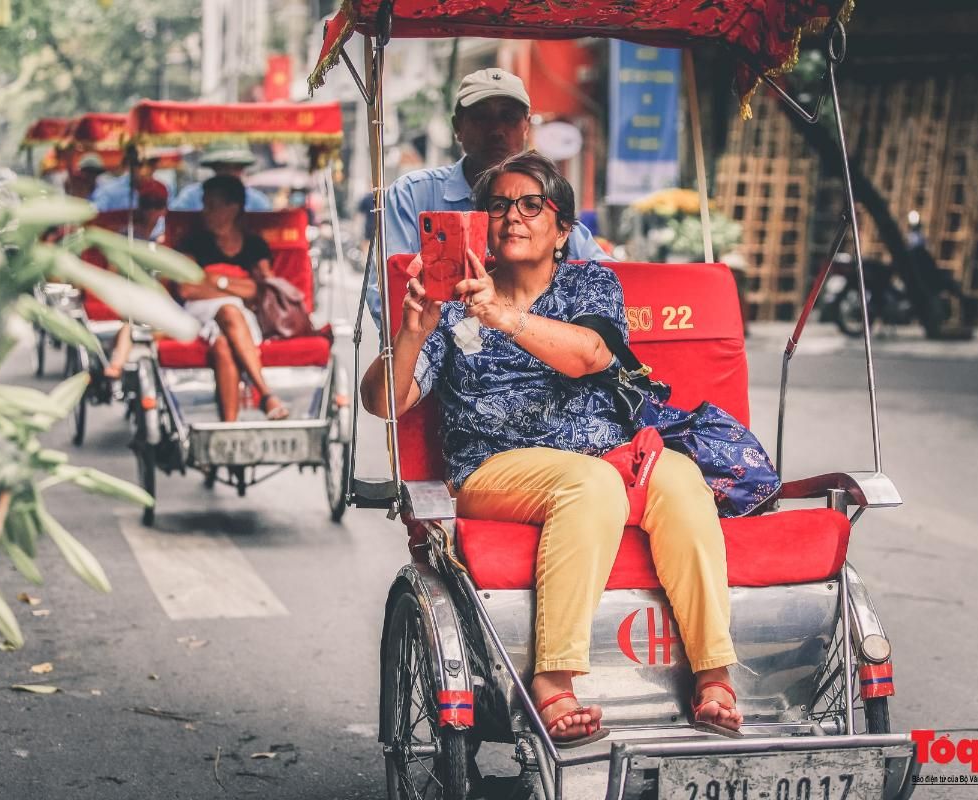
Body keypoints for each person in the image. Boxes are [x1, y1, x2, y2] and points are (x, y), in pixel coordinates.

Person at [360, 153, 742, 745]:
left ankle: (714, 676)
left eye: (531, 204)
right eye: (499, 205)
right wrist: (412, 329)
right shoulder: (455, 296)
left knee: (681, 479)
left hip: (605, 455)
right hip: (495, 467)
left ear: (562, 228)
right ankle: (553, 683)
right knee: (590, 484)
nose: (513, 215)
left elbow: (589, 355)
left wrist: (502, 315)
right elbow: (385, 402)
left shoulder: (590, 282)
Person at [366, 68, 609, 326]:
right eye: (482, 118)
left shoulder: (548, 202)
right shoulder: (411, 195)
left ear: (526, 126)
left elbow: (609, 278)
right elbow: (387, 296)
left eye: (509, 118)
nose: (497, 131)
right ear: (458, 127)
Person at [173, 175, 289, 421]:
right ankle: (266, 393)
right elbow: (187, 290)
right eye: (205, 205)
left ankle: (229, 429)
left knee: (224, 345)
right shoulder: (193, 242)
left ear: (233, 208)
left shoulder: (254, 245)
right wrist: (236, 286)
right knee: (229, 310)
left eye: (212, 205)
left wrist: (214, 280)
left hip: (241, 319)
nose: (205, 212)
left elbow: (258, 289)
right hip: (200, 314)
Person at [101, 179, 168, 380]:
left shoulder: (167, 237)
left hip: (161, 297)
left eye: (157, 205)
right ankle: (117, 363)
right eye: (148, 204)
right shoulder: (125, 236)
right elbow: (112, 271)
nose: (152, 211)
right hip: (130, 294)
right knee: (129, 324)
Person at [169, 144, 272, 212]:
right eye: (224, 167)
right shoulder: (191, 196)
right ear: (215, 167)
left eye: (236, 167)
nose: (229, 173)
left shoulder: (258, 202)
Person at [90, 151, 175, 212]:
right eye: (140, 165)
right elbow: (95, 217)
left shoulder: (162, 190)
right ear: (129, 165)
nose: (145, 170)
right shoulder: (108, 192)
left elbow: (166, 218)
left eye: (151, 164)